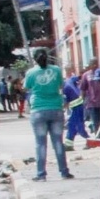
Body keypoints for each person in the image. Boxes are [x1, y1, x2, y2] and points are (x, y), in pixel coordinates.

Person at [24, 50, 72, 180]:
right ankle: (64, 172)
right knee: (58, 141)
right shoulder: (56, 70)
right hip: (56, 108)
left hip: (38, 110)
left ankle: (41, 174)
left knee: (40, 143)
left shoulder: (30, 73)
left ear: (35, 60)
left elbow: (27, 87)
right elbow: (61, 85)